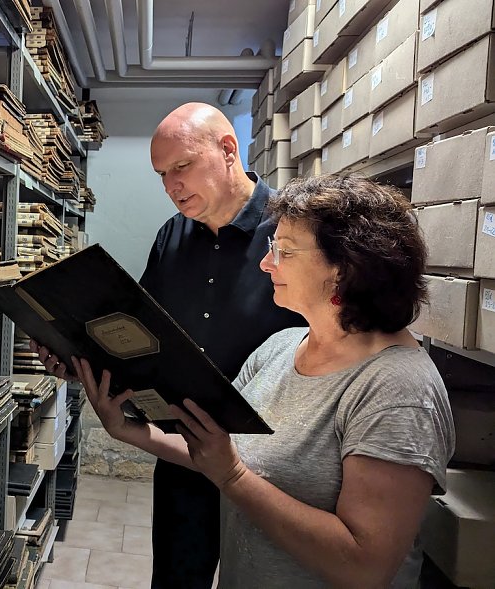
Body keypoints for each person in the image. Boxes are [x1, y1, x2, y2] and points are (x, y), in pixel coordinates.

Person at [70, 174, 455, 588]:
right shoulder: (283, 347)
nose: (266, 263)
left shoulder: (398, 391)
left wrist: (233, 477)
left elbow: (365, 565)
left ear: (346, 269)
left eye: (284, 251)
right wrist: (131, 431)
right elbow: (218, 449)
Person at [31, 102, 304, 588]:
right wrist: (79, 358)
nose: (171, 185)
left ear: (227, 150)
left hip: (274, 465)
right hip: (185, 452)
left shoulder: (293, 232)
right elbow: (138, 336)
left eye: (182, 166)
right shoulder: (171, 235)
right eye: (161, 174)